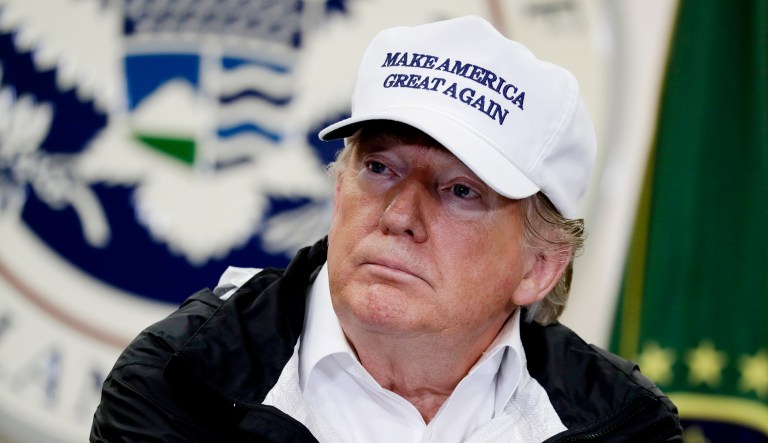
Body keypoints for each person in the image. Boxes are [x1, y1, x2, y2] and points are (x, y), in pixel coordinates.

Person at [91, 15, 682, 442]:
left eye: (460, 192)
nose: (400, 216)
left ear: (540, 266)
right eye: (379, 168)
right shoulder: (180, 381)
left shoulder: (621, 426)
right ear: (339, 186)